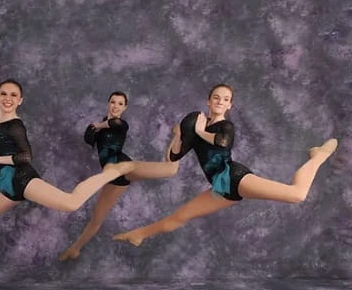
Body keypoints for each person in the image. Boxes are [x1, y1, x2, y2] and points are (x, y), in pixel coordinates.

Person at [0, 79, 134, 255]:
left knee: (70, 203)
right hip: (5, 185)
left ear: (20, 100)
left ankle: (112, 173)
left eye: (13, 95)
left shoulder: (16, 126)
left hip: (22, 179)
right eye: (4, 94)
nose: (8, 99)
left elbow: (26, 156)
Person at [113, 83, 338, 246]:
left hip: (234, 177)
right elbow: (172, 158)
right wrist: (180, 134)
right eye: (217, 97)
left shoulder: (225, 127)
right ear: (209, 101)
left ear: (230, 105)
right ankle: (139, 234)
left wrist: (199, 131)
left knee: (297, 194)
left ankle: (318, 156)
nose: (221, 101)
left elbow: (222, 143)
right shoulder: (198, 126)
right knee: (180, 216)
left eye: (226, 99)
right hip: (221, 188)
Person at [59, 91, 182, 261]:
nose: (116, 106)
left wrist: (98, 125)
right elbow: (88, 139)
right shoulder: (99, 126)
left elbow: (116, 124)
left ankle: (179, 136)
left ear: (125, 108)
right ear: (108, 104)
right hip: (116, 177)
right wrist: (94, 128)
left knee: (171, 169)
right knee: (96, 219)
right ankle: (75, 249)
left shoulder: (120, 123)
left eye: (120, 104)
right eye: (113, 102)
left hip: (119, 164)